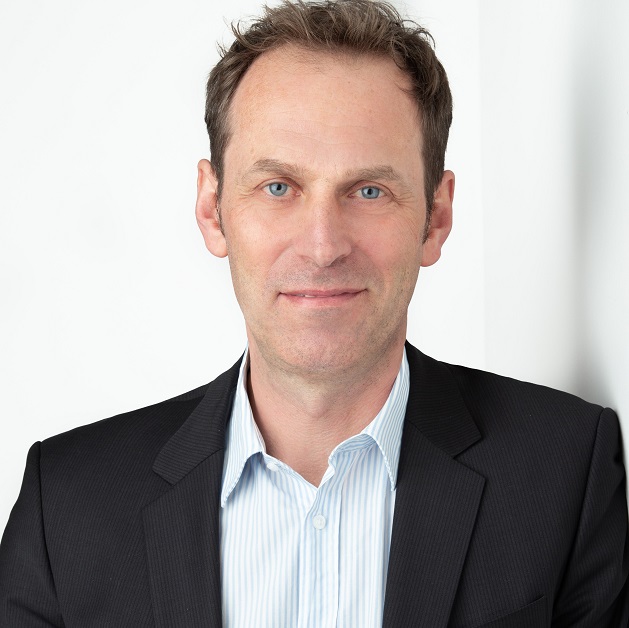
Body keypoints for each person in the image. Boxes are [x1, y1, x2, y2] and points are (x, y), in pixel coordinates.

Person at [1, 0, 627, 625]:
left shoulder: (564, 471)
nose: (323, 246)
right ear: (212, 209)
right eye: (278, 187)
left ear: (436, 217)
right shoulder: (68, 507)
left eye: (369, 191)